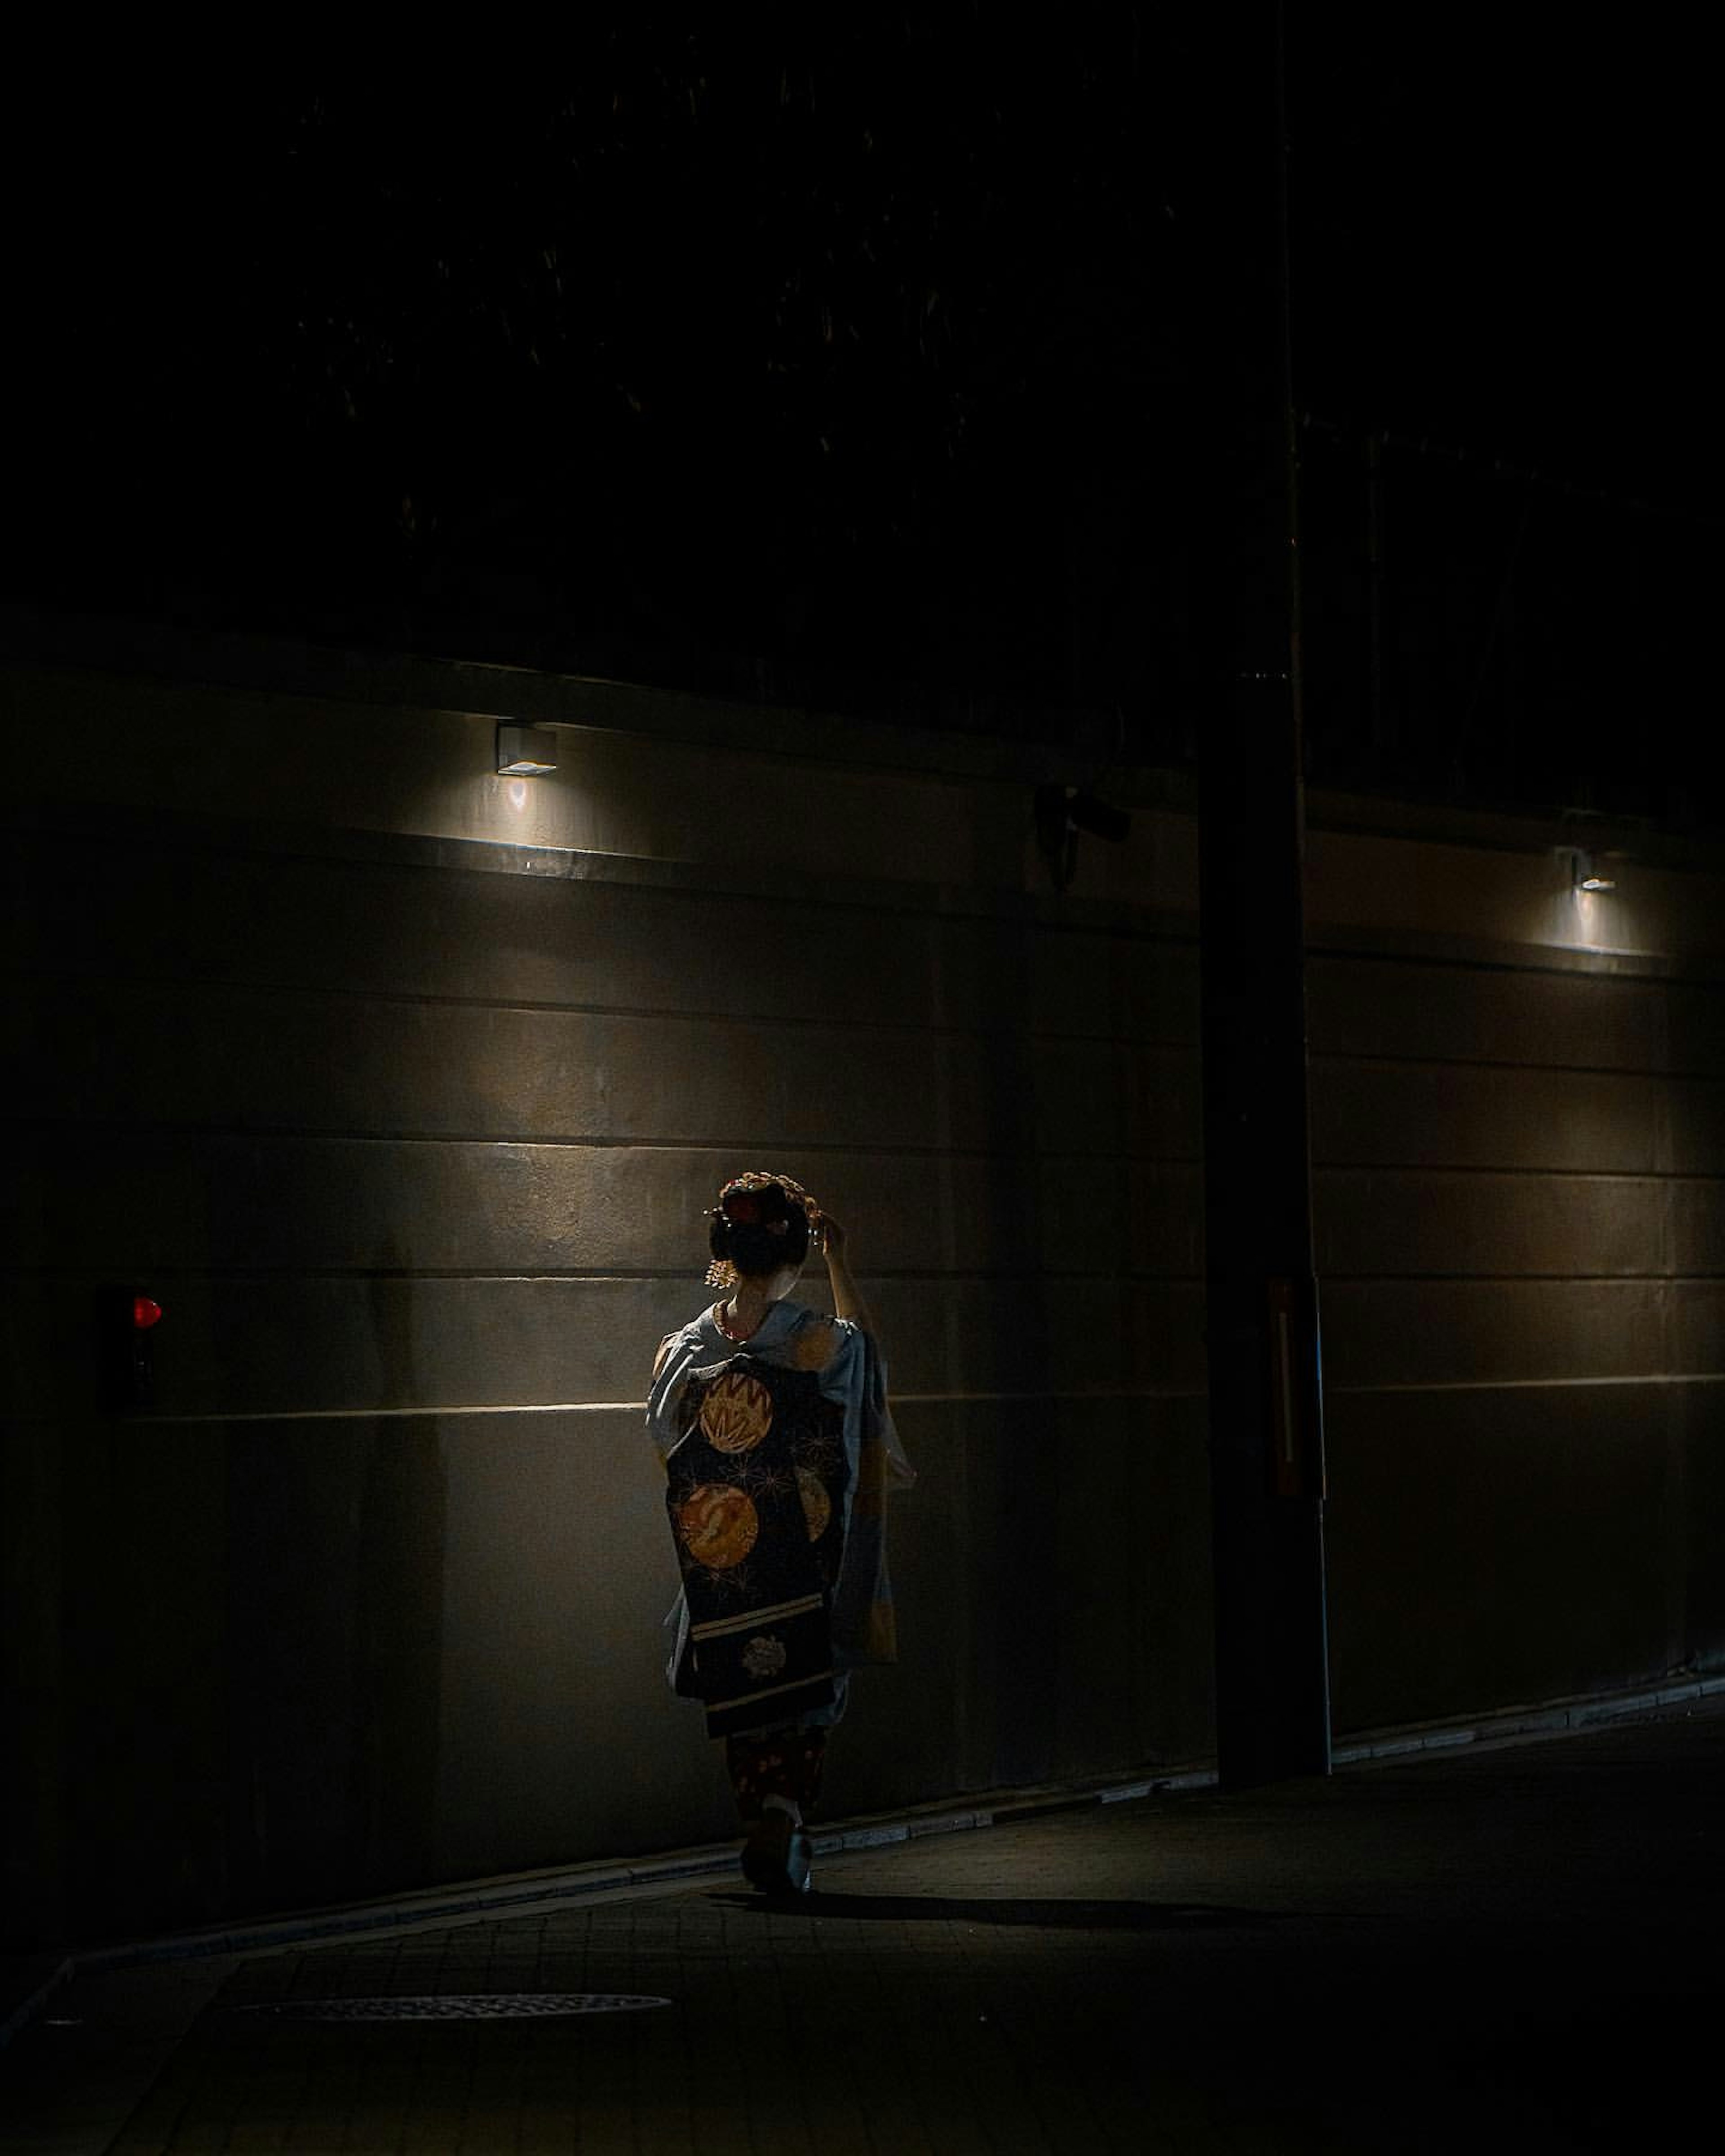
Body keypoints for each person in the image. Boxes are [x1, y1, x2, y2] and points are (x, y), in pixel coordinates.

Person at [646, 1171, 914, 1895]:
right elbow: (870, 1371)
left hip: (726, 1552)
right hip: (805, 1546)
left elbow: (662, 1435)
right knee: (807, 1688)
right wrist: (840, 1262)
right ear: (795, 1255)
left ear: (725, 1255)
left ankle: (762, 1811)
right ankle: (787, 1812)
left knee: (742, 1685)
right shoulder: (820, 1345)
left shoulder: (683, 1350)